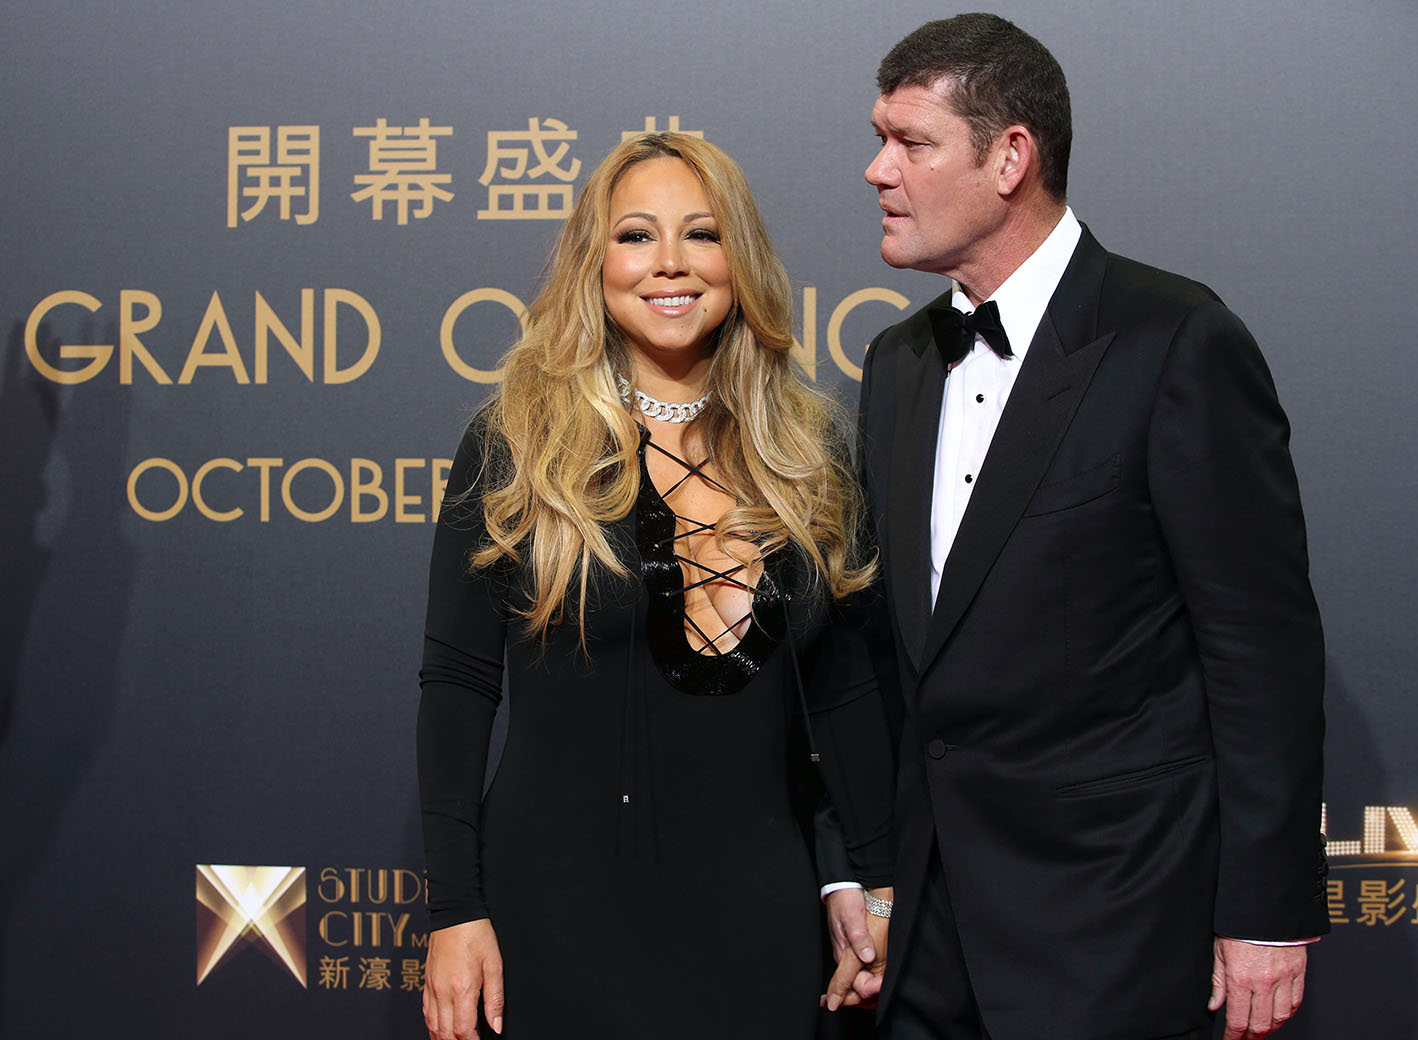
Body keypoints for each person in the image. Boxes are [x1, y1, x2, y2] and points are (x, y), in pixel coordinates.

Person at [822, 14, 1329, 1040]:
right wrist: (864, 868)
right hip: (926, 937)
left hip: (1114, 923)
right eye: (880, 139)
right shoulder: (898, 363)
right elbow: (883, 654)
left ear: (1011, 157)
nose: (878, 170)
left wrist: (1266, 911)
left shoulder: (1175, 341)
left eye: (911, 142)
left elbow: (1260, 651)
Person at [415, 132, 895, 1040]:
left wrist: (875, 879)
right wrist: (454, 910)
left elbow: (843, 690)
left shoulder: (806, 449)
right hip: (554, 918)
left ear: (739, 260)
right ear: (593, 263)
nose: (670, 262)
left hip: (758, 920)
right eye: (636, 235)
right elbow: (457, 687)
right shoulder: (518, 443)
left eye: (701, 234)